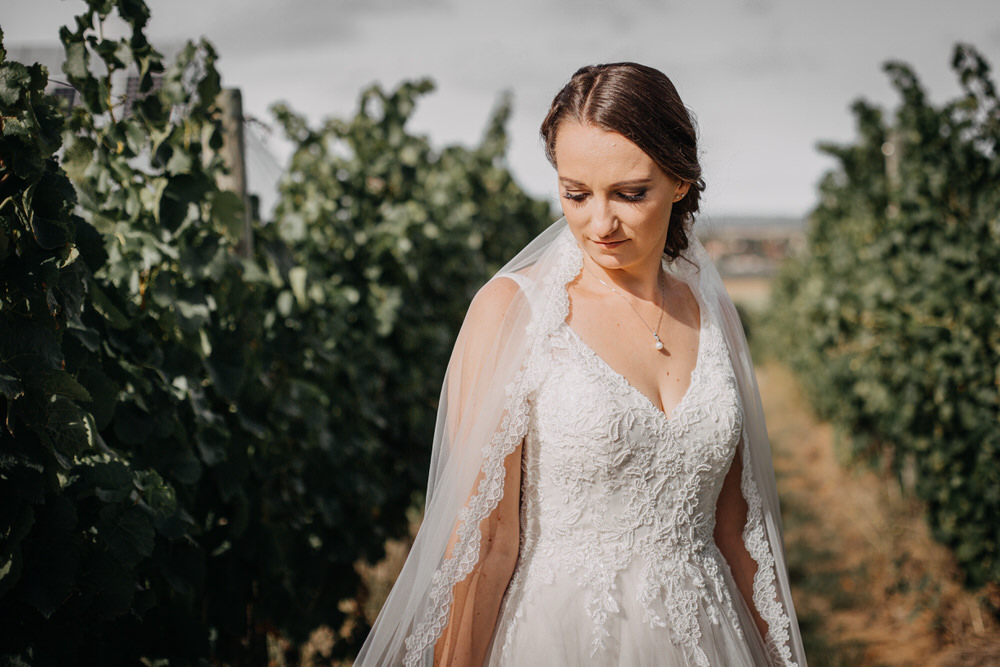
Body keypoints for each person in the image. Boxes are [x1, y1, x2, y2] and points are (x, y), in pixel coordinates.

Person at [355, 63, 807, 667]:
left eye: (629, 193)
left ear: (680, 181)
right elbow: (485, 546)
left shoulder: (713, 314)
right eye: (575, 193)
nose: (600, 223)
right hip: (560, 637)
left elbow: (738, 532)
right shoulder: (513, 312)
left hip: (710, 638)